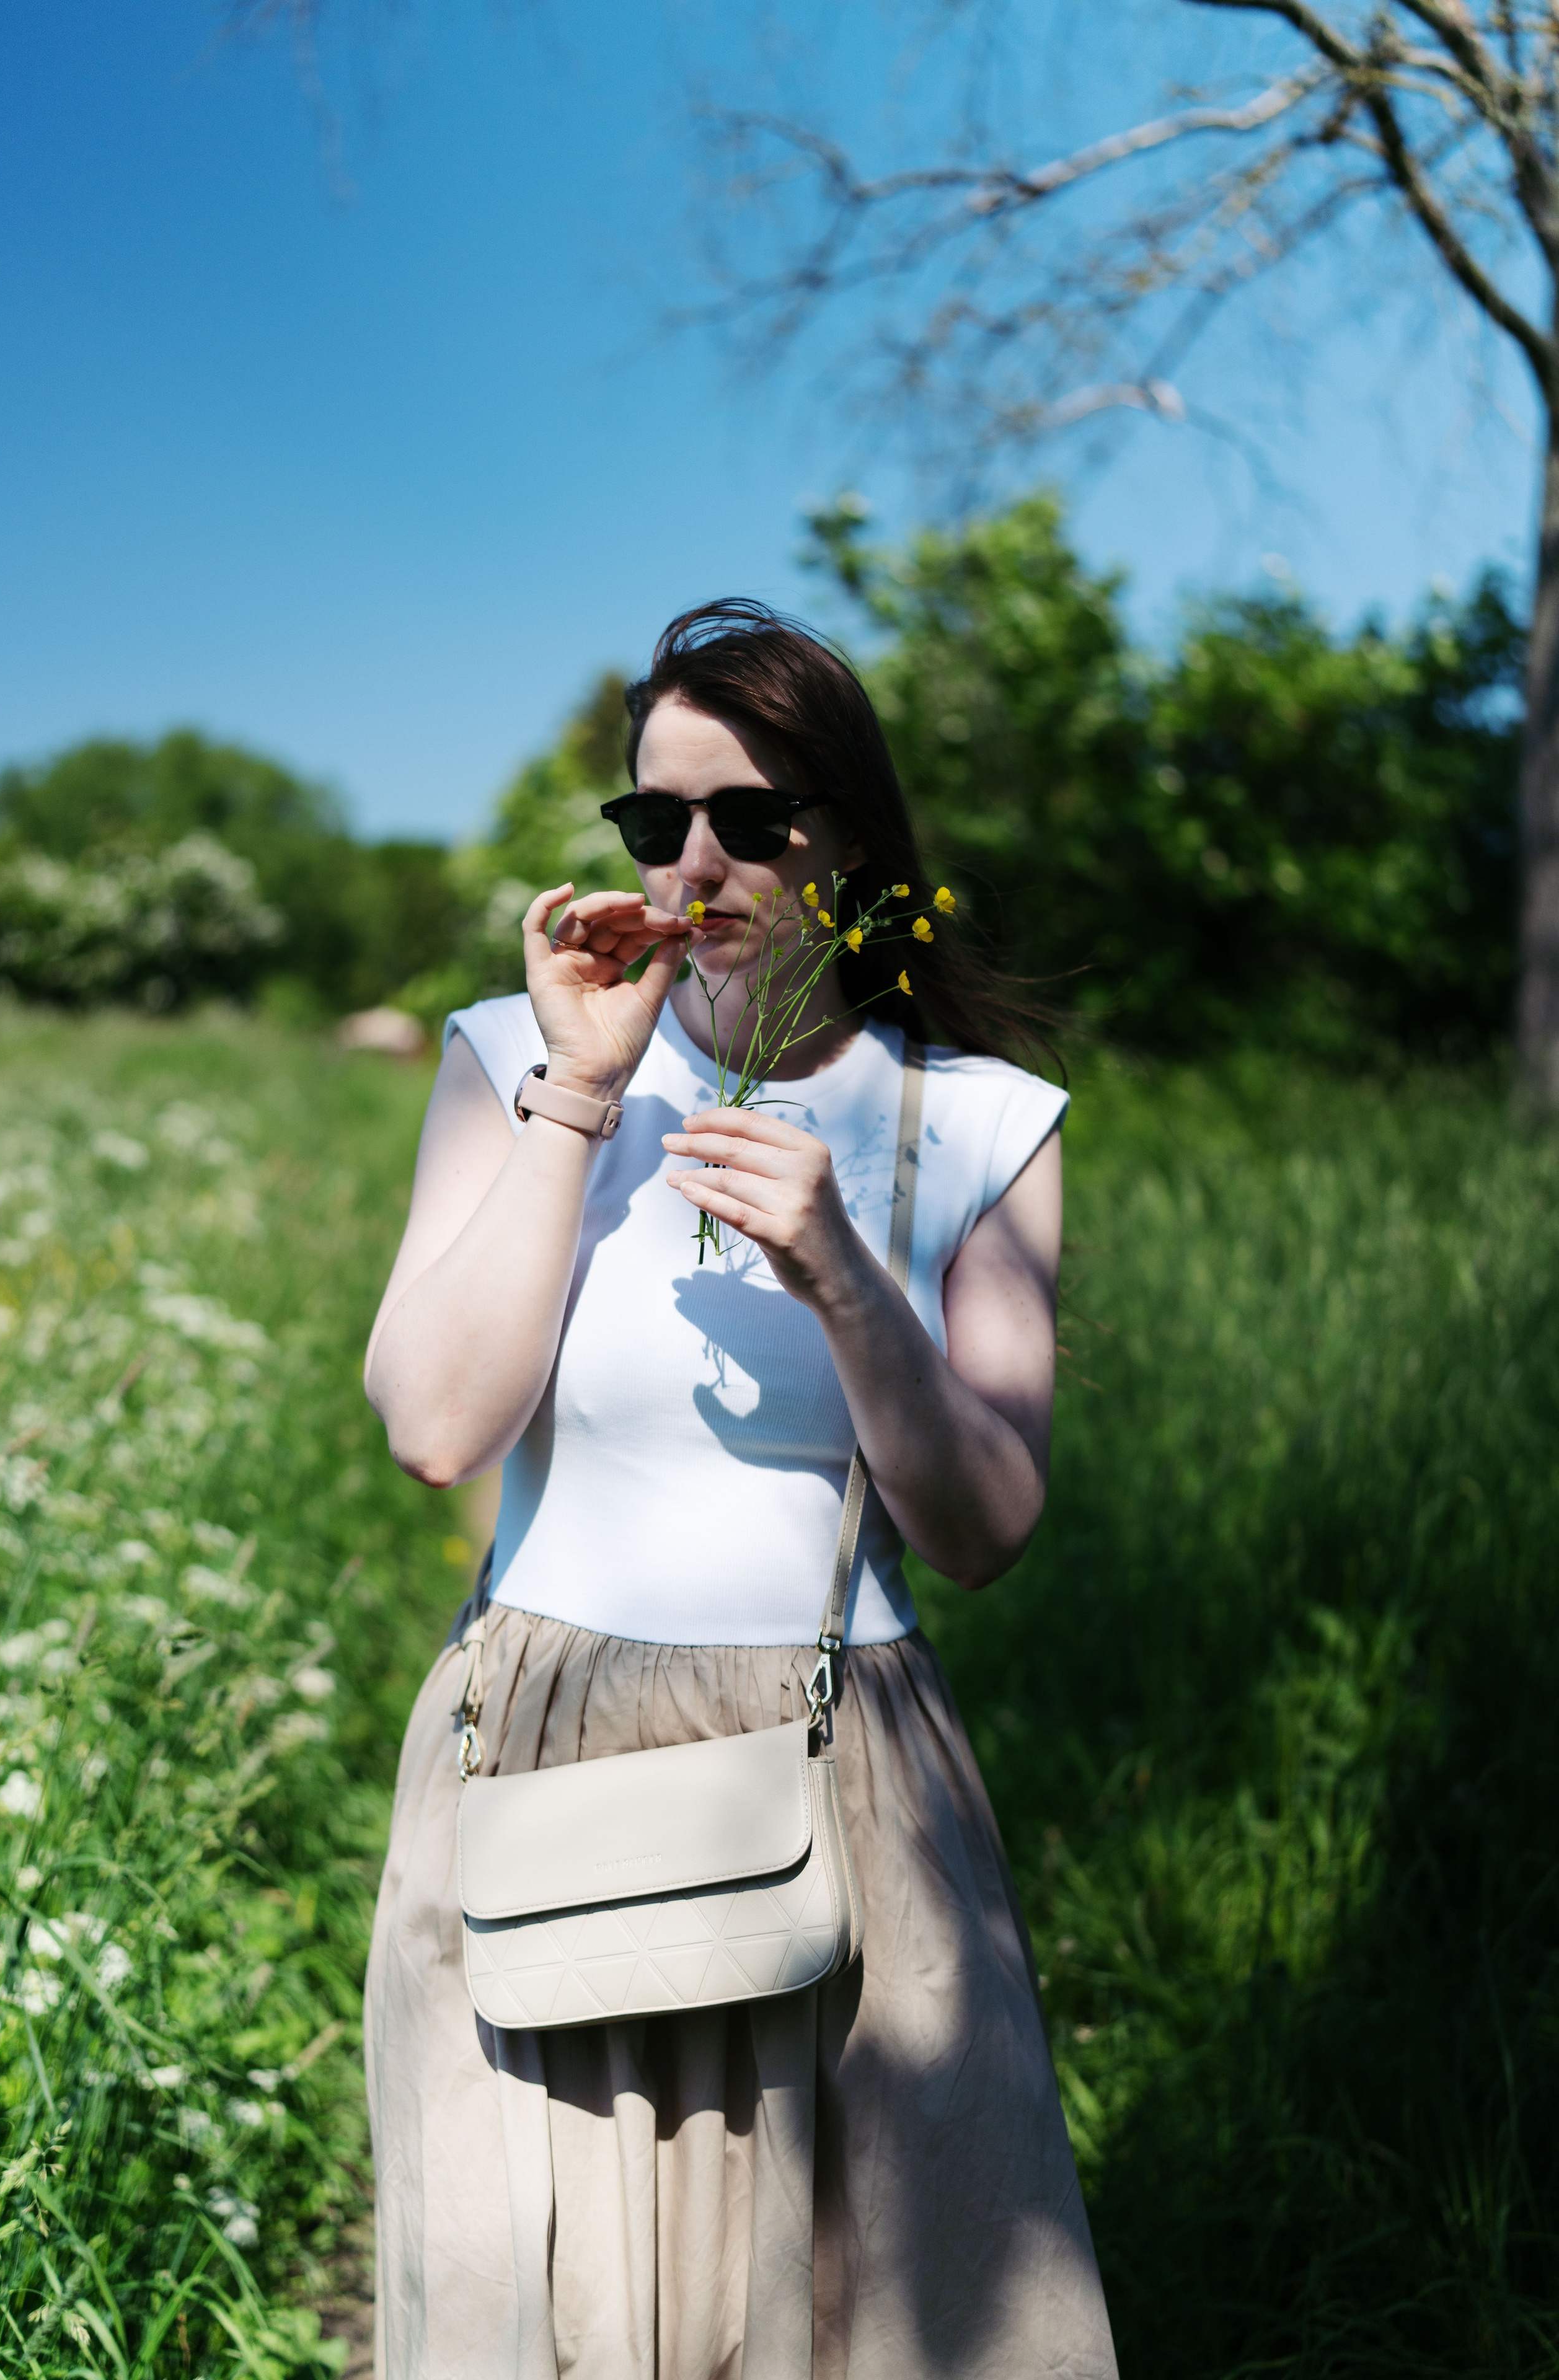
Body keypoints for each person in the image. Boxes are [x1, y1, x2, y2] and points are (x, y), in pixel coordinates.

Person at [362, 601, 1118, 2380]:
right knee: (535, 2302)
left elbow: (987, 1521)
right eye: (654, 822)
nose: (695, 862)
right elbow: (434, 1429)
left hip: (843, 1770)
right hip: (547, 1740)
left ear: (846, 838)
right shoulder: (510, 1063)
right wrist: (580, 1095)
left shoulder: (981, 1124)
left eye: (751, 820)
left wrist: (843, 1268)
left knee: (873, 2312)